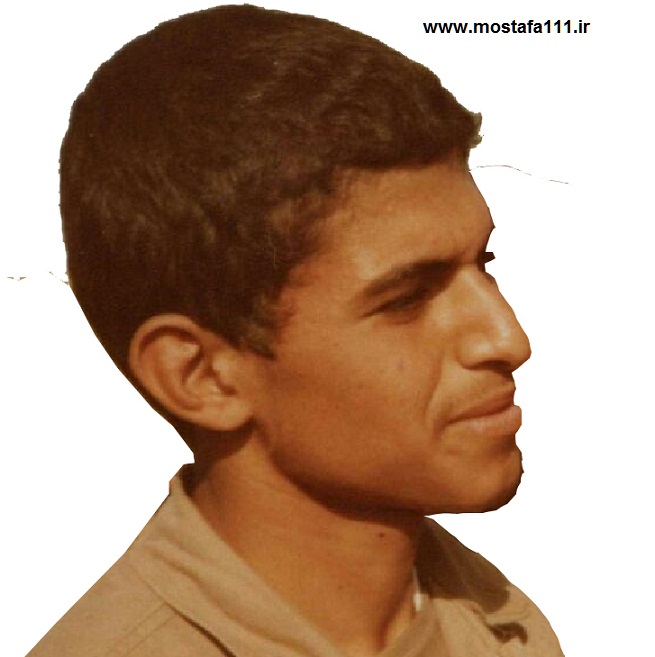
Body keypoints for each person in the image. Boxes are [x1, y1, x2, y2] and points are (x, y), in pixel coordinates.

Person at [27, 5, 563, 656]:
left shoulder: (499, 625)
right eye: (407, 297)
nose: (508, 339)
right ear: (201, 376)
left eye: (485, 263)